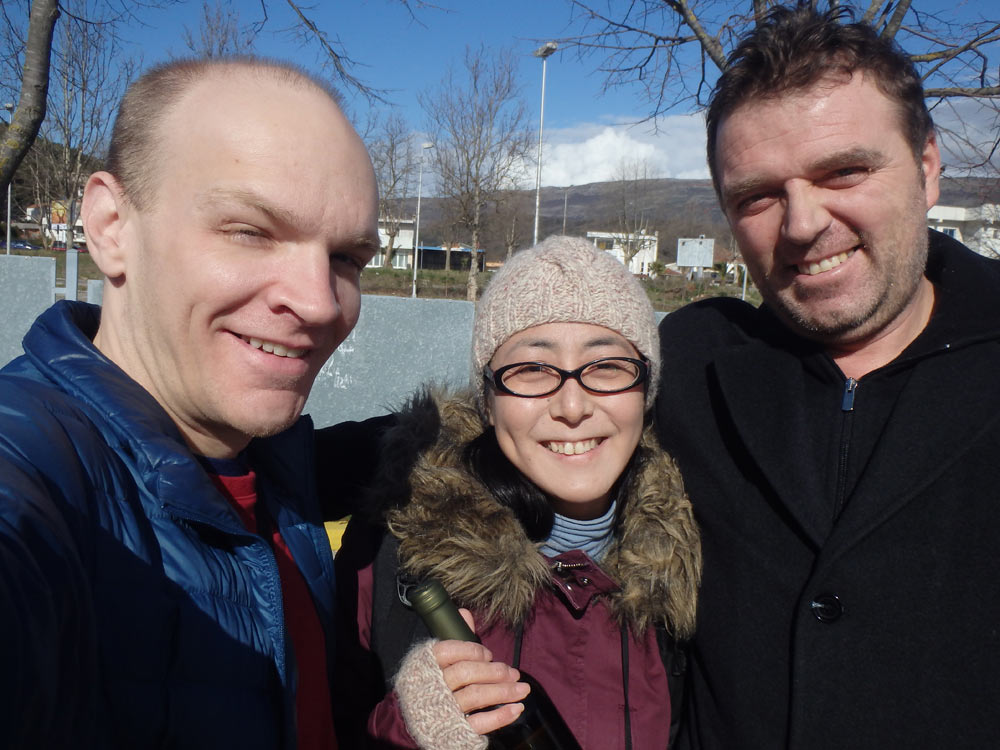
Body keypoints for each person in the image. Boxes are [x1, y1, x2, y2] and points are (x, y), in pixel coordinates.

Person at [0, 58, 379, 748]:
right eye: (250, 231)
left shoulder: (272, 470)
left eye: (348, 258)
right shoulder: (36, 472)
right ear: (111, 225)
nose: (321, 302)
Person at [655, 6, 1000, 749]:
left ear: (930, 167)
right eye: (757, 196)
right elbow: (495, 437)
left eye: (844, 170)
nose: (803, 223)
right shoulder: (687, 365)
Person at [331, 235, 701, 749]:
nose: (572, 407)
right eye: (531, 370)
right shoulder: (393, 561)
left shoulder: (697, 574)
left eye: (608, 367)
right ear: (488, 399)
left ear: (646, 391)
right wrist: (405, 730)